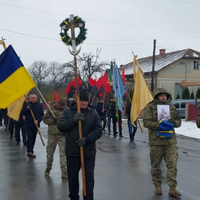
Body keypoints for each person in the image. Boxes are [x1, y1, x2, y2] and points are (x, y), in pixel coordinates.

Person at [58, 89, 102, 200]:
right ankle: (74, 197)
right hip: (72, 152)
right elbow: (61, 126)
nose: (84, 103)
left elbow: (98, 130)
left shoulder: (93, 113)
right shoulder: (68, 112)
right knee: (72, 179)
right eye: (81, 100)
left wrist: (86, 139)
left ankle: (88, 198)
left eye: (86, 101)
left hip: (88, 152)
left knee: (88, 178)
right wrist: (73, 120)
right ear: (77, 100)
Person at [143, 88, 182, 197]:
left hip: (170, 141)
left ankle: (172, 188)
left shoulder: (172, 107)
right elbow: (146, 122)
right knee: (156, 165)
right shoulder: (151, 107)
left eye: (165, 95)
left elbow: (179, 121)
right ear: (156, 97)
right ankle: (157, 186)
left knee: (172, 165)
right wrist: (159, 125)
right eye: (161, 96)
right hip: (156, 142)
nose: (163, 97)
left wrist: (174, 122)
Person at [43, 97, 68, 179]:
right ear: (58, 104)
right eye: (61, 106)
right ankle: (48, 168)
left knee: (63, 154)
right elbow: (45, 120)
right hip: (52, 134)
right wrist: (53, 120)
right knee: (50, 153)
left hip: (62, 134)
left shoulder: (66, 110)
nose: (62, 107)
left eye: (63, 106)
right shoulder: (51, 109)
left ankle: (64, 172)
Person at [21, 94, 44, 158]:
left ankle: (31, 150)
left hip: (35, 124)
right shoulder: (26, 104)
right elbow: (22, 112)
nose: (33, 99)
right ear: (29, 99)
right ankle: (29, 151)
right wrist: (27, 108)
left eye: (35, 98)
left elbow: (42, 114)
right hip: (28, 124)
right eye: (32, 98)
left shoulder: (39, 105)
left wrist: (38, 120)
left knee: (33, 138)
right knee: (30, 137)